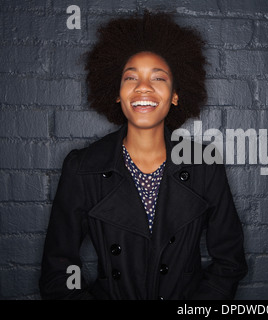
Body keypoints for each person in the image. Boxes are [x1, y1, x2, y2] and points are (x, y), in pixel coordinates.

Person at [39, 11, 247, 300]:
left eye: (158, 78)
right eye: (131, 77)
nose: (143, 87)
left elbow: (230, 262)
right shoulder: (82, 168)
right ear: (117, 92)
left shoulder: (204, 165)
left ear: (175, 94)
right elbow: (58, 270)